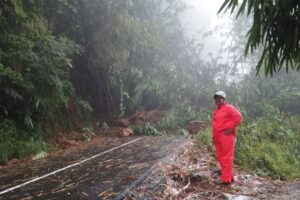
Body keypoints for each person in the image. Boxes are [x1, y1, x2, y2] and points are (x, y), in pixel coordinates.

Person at [212, 91, 242, 185]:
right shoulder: (216, 111)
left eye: (219, 98)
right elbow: (216, 125)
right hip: (218, 137)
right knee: (221, 157)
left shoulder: (229, 107)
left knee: (227, 158)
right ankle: (229, 176)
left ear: (224, 99)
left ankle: (226, 179)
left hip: (226, 136)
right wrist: (214, 137)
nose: (217, 100)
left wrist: (231, 128)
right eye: (216, 98)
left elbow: (238, 118)